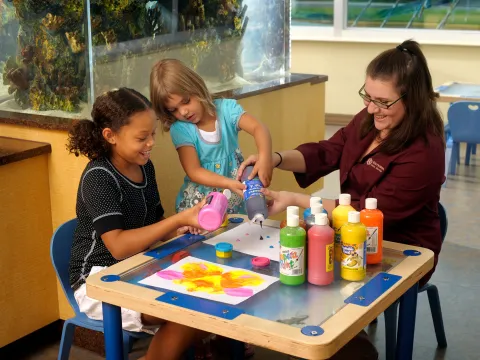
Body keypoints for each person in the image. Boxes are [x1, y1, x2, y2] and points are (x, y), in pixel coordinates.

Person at [239, 39, 446, 359]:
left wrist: (294, 200)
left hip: (396, 244)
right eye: (367, 96)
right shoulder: (370, 121)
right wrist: (275, 158)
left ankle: (343, 344)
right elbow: (327, 152)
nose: (371, 108)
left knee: (312, 276)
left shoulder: (425, 151)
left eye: (383, 101)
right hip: (347, 227)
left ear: (413, 99)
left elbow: (370, 212)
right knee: (293, 268)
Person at [67, 88, 209, 360]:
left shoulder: (144, 166)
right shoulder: (99, 178)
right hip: (98, 280)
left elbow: (155, 223)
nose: (151, 143)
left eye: (153, 134)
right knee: (184, 310)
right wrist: (179, 219)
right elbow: (119, 247)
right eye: (142, 137)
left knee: (203, 300)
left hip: (138, 265)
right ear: (110, 136)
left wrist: (179, 228)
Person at [150, 58, 273, 217]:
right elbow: (194, 171)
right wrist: (229, 183)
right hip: (202, 205)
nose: (183, 112)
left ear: (197, 87)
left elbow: (259, 128)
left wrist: (265, 158)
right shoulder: (180, 129)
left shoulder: (227, 109)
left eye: (186, 101)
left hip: (234, 201)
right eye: (173, 109)